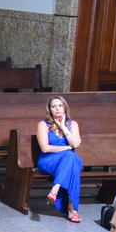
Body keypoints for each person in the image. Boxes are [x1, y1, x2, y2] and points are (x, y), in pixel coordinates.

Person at [36, 95, 83, 223]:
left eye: (60, 105)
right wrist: (67, 148)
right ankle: (72, 209)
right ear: (49, 109)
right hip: (49, 160)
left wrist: (63, 127)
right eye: (53, 106)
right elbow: (45, 148)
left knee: (71, 159)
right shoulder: (43, 125)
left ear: (65, 108)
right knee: (71, 159)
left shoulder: (73, 124)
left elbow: (76, 144)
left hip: (68, 161)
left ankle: (55, 190)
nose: (57, 108)